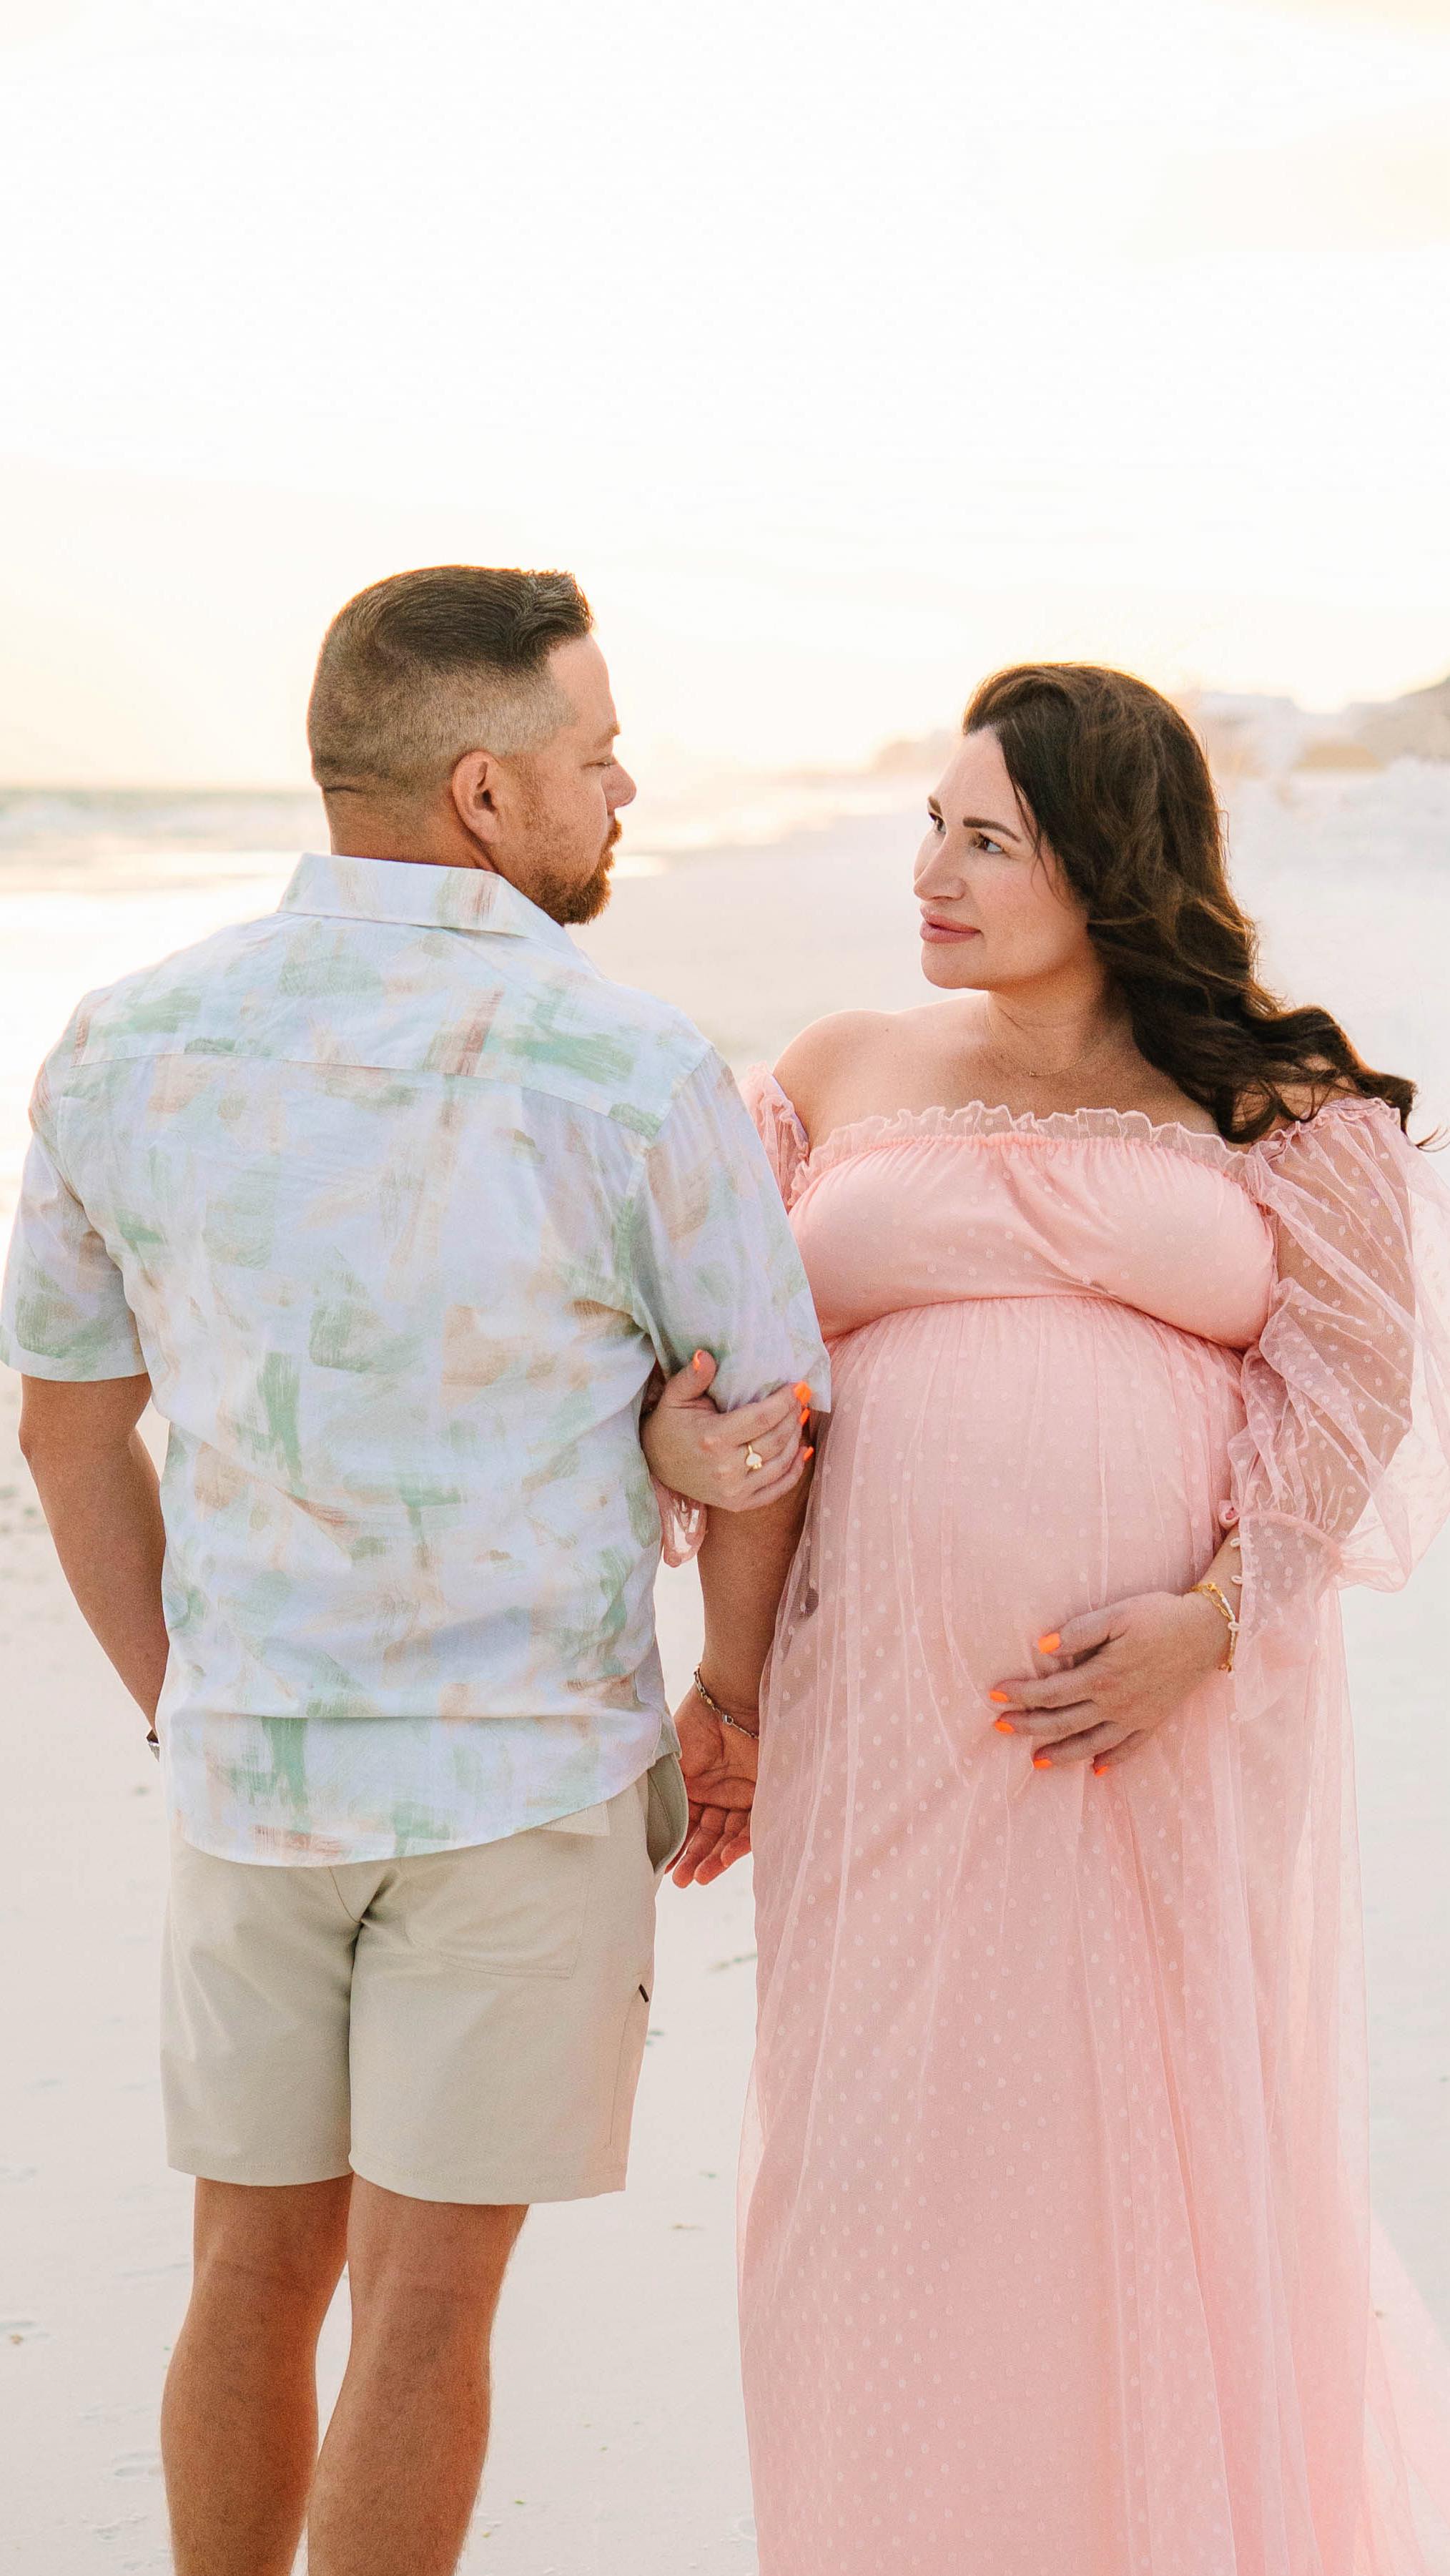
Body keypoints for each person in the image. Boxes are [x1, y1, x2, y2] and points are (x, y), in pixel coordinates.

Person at [0, 565, 828, 2576]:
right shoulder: (630, 1066)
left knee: (246, 2272)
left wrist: (179, 1697)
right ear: (481, 791)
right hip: (522, 1787)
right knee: (432, 2306)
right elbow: (770, 1425)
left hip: (249, 1776)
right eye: (593, 755)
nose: (621, 790)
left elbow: (67, 1423)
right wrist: (730, 1694)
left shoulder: (121, 1039)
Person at [645, 662, 1450, 2575]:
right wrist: (711, 1591)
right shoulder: (833, 1069)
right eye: (928, 823)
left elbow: (1351, 1379)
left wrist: (1209, 1616)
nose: (928, 870)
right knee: (872, 2167)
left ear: (1103, 862)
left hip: (1154, 1733)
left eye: (982, 838)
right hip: (879, 1730)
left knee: (1134, 2160)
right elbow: (721, 1361)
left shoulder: (1273, 1098)